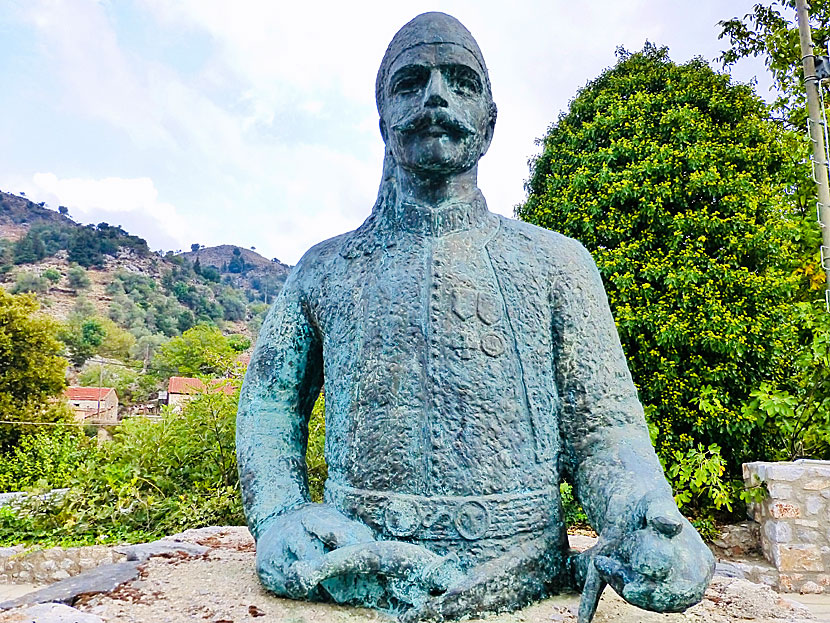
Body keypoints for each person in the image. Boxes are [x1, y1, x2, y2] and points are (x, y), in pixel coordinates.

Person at [237, 12, 714, 622]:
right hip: (360, 566)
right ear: (382, 117)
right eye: (411, 82)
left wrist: (641, 516)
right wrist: (280, 516)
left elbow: (605, 429)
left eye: (460, 81)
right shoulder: (325, 268)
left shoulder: (557, 265)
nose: (436, 95)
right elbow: (270, 405)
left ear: (491, 118)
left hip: (522, 572)